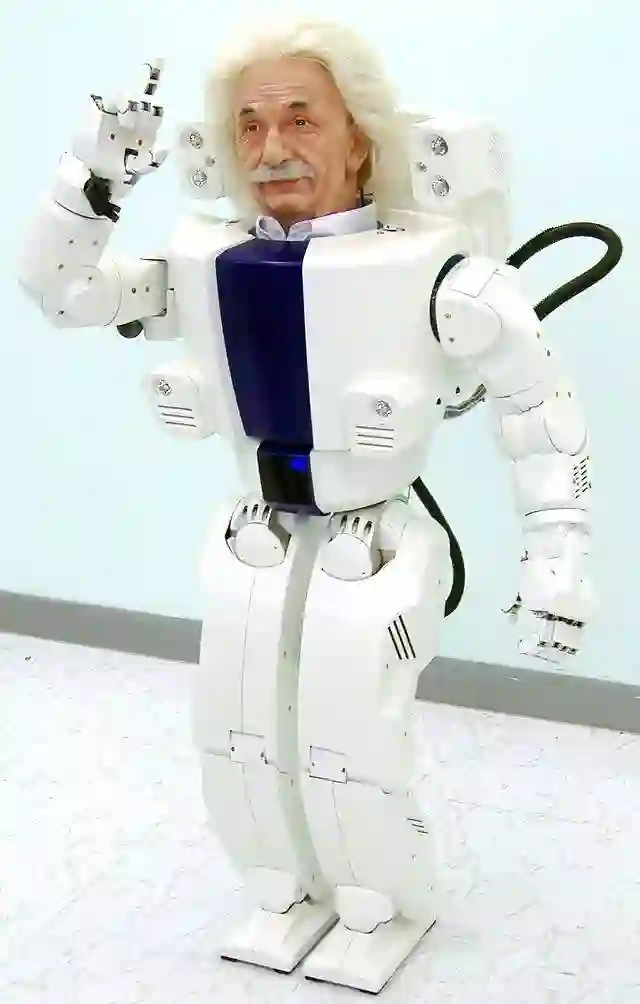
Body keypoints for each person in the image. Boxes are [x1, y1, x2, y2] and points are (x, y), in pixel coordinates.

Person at [15, 15, 595, 996]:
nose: (271, 146)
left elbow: (540, 411)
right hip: (254, 531)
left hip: (376, 540)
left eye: (300, 118)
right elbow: (61, 289)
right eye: (248, 124)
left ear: (360, 137)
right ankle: (278, 886)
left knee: (349, 732)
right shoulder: (202, 265)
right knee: (235, 728)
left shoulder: (438, 274)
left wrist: (557, 561)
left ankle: (375, 900)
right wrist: (94, 173)